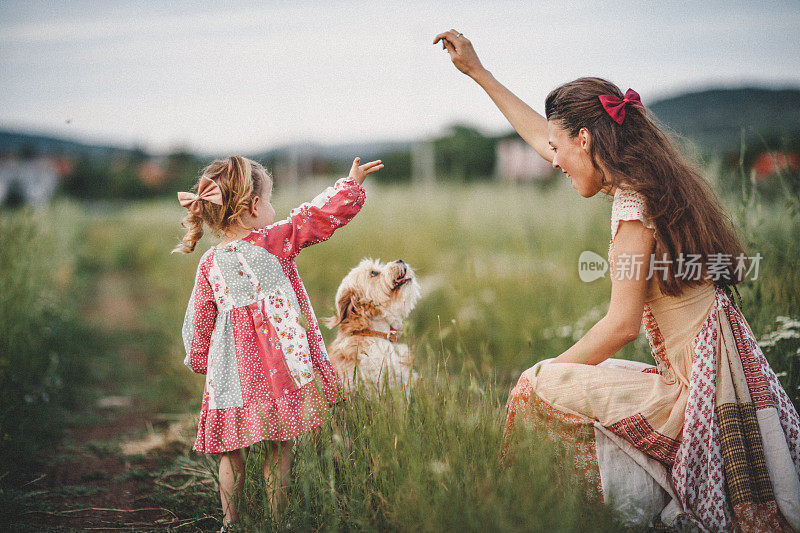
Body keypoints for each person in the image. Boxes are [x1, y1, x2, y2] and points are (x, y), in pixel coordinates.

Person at [434, 29, 800, 530]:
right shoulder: (648, 181)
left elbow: (622, 325)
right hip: (718, 382)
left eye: (561, 148)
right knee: (552, 382)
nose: (554, 160)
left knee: (537, 387)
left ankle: (545, 517)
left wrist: (540, 373)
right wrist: (479, 73)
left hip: (695, 398)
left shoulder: (632, 205)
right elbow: (546, 140)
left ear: (585, 140)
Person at [176, 155, 383, 531]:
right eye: (270, 199)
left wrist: (202, 359)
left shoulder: (208, 263)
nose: (274, 207)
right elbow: (315, 219)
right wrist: (350, 184)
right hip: (277, 370)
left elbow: (198, 319)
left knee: (230, 453)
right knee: (278, 447)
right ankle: (276, 522)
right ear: (254, 207)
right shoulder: (273, 241)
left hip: (231, 376)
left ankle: (230, 524)